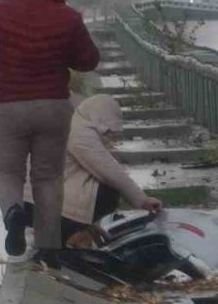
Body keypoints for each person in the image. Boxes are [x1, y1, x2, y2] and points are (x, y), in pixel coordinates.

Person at [0, 0, 101, 266]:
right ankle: (49, 250)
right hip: (53, 108)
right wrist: (65, 49)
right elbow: (89, 60)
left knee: (5, 173)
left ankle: (13, 211)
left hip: (8, 107)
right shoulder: (68, 18)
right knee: (48, 178)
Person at [62, 95, 164, 246]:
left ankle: (76, 230)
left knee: (97, 189)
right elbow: (108, 171)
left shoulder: (76, 124)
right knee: (107, 192)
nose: (108, 135)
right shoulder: (80, 133)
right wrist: (142, 200)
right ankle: (67, 234)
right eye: (107, 129)